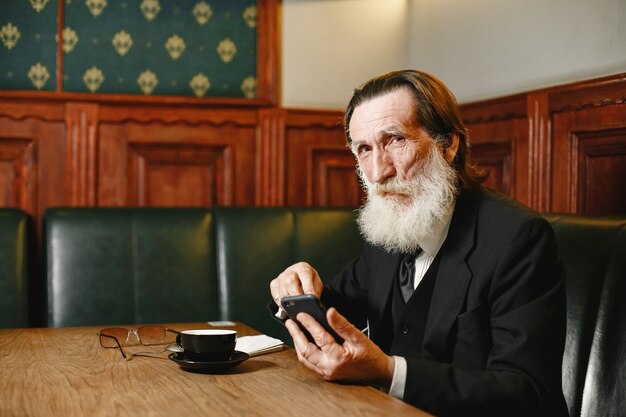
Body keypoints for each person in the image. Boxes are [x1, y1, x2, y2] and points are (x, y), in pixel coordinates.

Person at [269, 70, 568, 417]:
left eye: (394, 140)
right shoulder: (391, 228)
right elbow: (334, 315)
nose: (378, 172)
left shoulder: (519, 239)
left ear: (448, 145)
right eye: (364, 149)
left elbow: (526, 393)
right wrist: (295, 289)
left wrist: (387, 371)